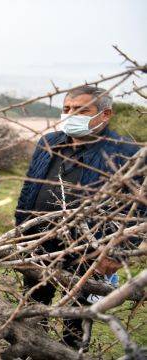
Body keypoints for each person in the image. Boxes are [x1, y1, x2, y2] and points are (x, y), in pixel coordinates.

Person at [15, 85, 139, 348]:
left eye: (81, 110)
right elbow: (29, 187)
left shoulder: (124, 152)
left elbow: (139, 209)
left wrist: (118, 253)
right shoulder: (48, 142)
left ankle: (70, 354)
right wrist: (20, 233)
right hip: (39, 242)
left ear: (104, 115)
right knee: (34, 307)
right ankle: (31, 351)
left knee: (77, 317)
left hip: (89, 249)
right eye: (67, 109)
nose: (71, 115)